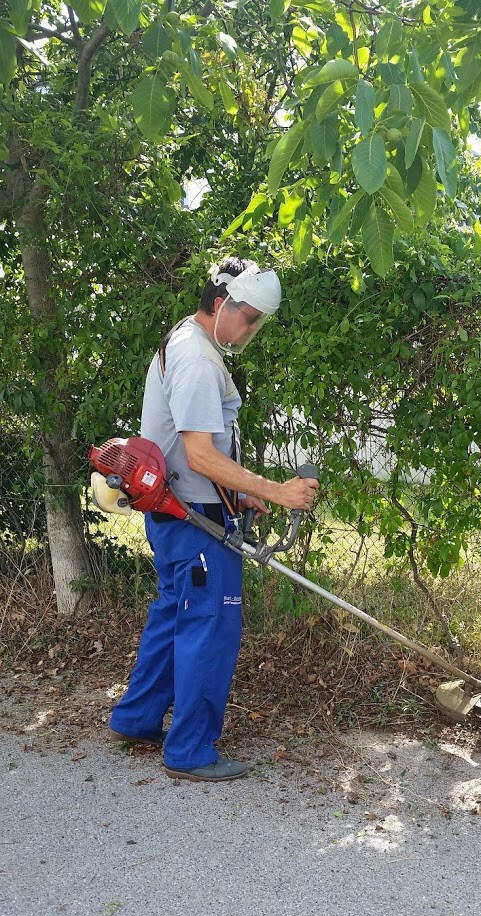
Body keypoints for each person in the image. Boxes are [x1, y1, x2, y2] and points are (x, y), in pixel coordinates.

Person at [108, 257, 319, 782]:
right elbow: (200, 455)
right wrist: (275, 489)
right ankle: (191, 750)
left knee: (174, 614)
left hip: (182, 510)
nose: (251, 331)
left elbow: (191, 449)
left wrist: (240, 494)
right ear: (222, 304)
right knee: (209, 623)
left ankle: (136, 719)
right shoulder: (199, 361)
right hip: (192, 517)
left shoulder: (182, 340)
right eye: (249, 319)